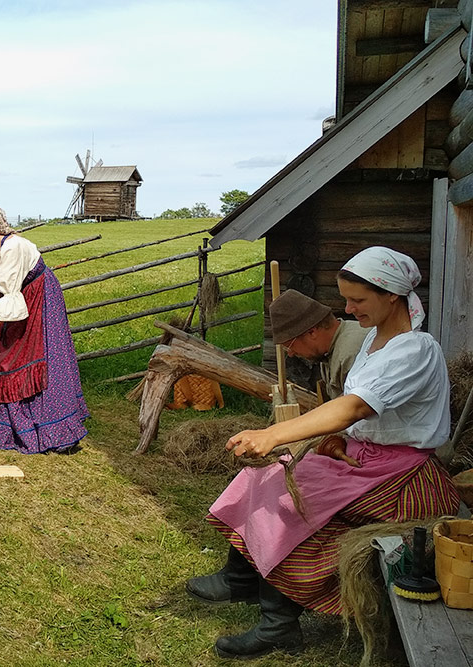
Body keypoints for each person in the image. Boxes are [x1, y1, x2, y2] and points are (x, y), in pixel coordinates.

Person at [188, 246, 460, 660]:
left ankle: (278, 625)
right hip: (363, 458)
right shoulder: (374, 339)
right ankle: (243, 582)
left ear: (392, 296)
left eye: (358, 300)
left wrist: (275, 432)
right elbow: (363, 414)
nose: (347, 309)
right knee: (262, 476)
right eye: (346, 298)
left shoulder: (415, 349)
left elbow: (354, 405)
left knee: (286, 502)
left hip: (399, 475)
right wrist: (339, 438)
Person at [0, 201, 89, 454]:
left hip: (40, 297)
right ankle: (11, 426)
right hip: (14, 300)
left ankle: (55, 432)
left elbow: (9, 296)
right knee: (7, 359)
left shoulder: (13, 248)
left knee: (42, 358)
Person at [269, 288, 368, 399]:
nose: (291, 353)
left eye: (290, 346)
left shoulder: (349, 354)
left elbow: (357, 409)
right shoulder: (328, 351)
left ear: (312, 332)